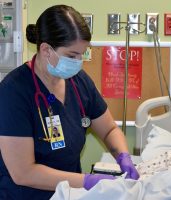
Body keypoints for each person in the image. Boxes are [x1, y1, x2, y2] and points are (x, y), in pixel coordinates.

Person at [0, 4, 139, 200]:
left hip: (69, 194)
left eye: (82, 54)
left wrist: (123, 157)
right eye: (72, 56)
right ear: (47, 50)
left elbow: (108, 130)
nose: (78, 61)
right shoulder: (13, 92)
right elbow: (23, 173)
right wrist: (87, 181)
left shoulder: (78, 81)